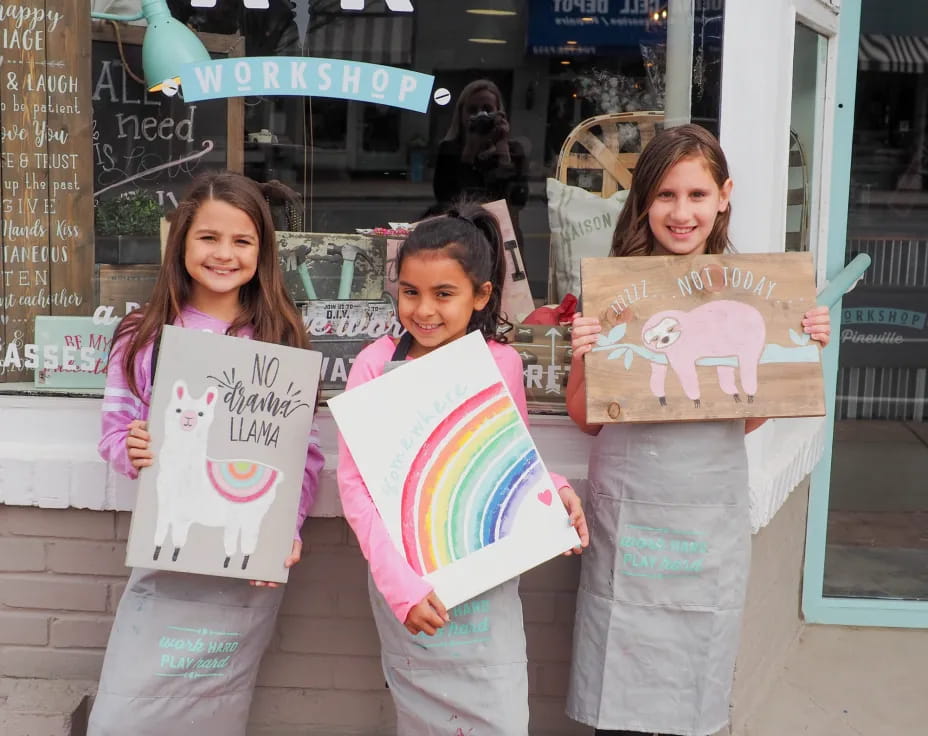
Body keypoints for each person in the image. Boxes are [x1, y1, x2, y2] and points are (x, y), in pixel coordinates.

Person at [564, 124, 832, 736]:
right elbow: (584, 419)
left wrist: (797, 349)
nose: (681, 213)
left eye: (697, 195)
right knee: (619, 656)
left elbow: (747, 417)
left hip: (708, 506)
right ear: (643, 201)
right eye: (664, 196)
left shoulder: (754, 295)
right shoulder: (615, 292)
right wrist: (585, 352)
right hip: (630, 507)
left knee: (697, 664)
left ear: (725, 196)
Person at [336, 202, 589, 735]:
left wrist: (555, 492)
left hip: (485, 581)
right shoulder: (373, 365)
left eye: (443, 294)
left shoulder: (503, 362)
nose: (423, 310)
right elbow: (355, 487)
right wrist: (398, 586)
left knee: (498, 718)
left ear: (481, 296)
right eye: (410, 292)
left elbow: (510, 458)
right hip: (409, 586)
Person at [88, 172, 324, 735]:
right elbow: (114, 431)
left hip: (244, 564)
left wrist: (283, 530)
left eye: (242, 241)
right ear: (181, 244)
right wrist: (133, 446)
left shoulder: (279, 338)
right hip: (166, 556)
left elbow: (303, 455)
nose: (224, 254)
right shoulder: (142, 334)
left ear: (262, 252)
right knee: (124, 713)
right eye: (208, 238)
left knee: (216, 708)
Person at [433, 80, 528, 247]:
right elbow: (446, 198)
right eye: (472, 110)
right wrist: (470, 150)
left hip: (501, 239)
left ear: (498, 113)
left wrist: (503, 149)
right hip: (460, 238)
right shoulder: (450, 150)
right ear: (461, 114)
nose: (480, 115)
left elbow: (518, 199)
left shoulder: (513, 150)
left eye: (487, 109)